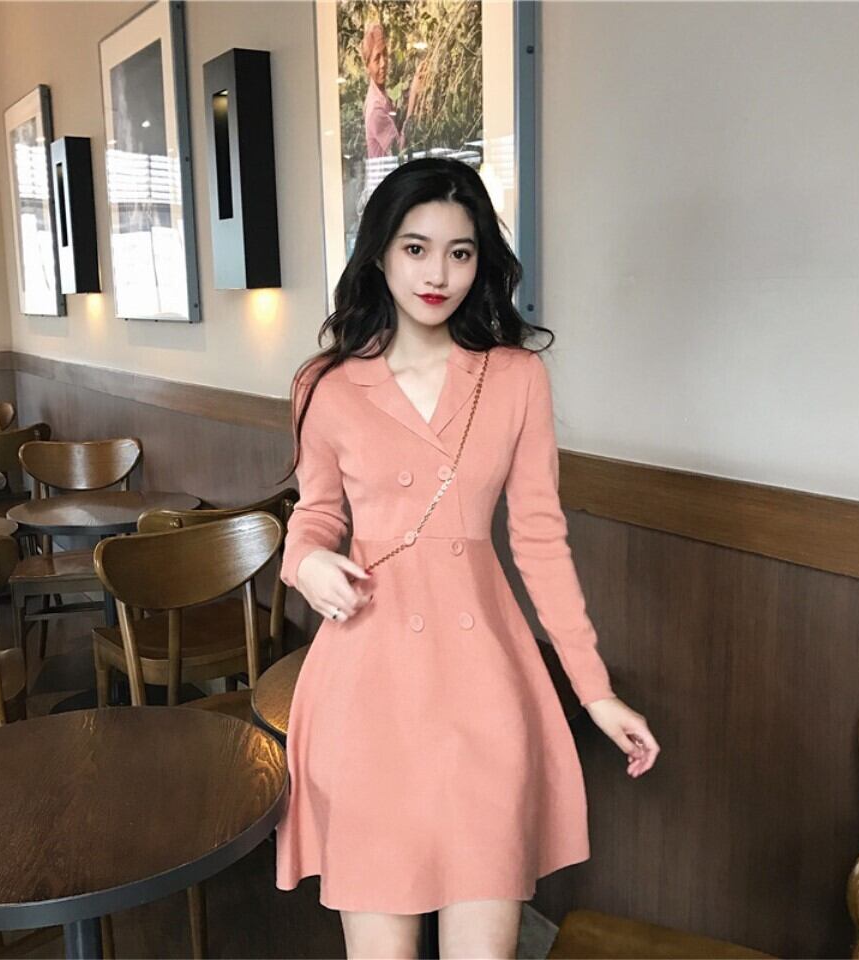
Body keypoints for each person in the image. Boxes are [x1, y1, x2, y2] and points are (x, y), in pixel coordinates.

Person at [274, 158, 660, 959]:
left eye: (460, 252)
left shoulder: (516, 379)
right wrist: (303, 562)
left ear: (482, 262)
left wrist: (595, 693)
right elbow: (314, 516)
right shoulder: (325, 384)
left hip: (484, 687)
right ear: (380, 253)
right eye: (415, 248)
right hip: (368, 687)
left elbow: (540, 540)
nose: (437, 274)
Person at [362, 20, 426, 159]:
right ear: (367, 66)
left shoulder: (381, 95)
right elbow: (400, 152)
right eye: (377, 58)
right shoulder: (376, 109)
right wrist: (413, 95)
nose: (383, 63)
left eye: (384, 54)